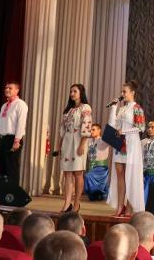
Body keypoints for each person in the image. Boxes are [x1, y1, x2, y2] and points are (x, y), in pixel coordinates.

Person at [108, 80, 146, 217]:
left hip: (131, 143)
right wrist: (113, 108)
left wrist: (124, 132)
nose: (122, 94)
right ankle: (120, 206)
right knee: (119, 174)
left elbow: (141, 128)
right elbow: (112, 125)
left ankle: (130, 207)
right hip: (120, 144)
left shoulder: (137, 108)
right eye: (122, 91)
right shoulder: (122, 108)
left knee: (130, 175)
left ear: (132, 93)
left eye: (125, 92)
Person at [55, 83, 93, 212]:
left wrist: (82, 144)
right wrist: (59, 146)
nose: (72, 94)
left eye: (75, 91)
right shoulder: (68, 110)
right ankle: (67, 203)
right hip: (67, 141)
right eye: (71, 91)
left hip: (78, 140)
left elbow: (87, 126)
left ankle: (76, 203)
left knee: (77, 172)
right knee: (67, 173)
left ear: (81, 93)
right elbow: (62, 130)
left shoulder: (85, 108)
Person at [0, 81, 28, 186]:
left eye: (10, 88)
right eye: (6, 88)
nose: (7, 90)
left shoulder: (20, 104)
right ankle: (4, 191)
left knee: (11, 168)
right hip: (2, 139)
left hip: (12, 139)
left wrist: (17, 141)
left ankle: (12, 192)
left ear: (17, 90)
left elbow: (21, 123)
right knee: (2, 169)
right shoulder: (4, 106)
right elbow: (0, 124)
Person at [84, 123, 111, 202]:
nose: (91, 132)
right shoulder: (89, 141)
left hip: (101, 168)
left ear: (99, 131)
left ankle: (100, 194)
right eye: (90, 130)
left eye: (93, 130)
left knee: (88, 176)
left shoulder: (103, 140)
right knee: (88, 176)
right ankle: (96, 195)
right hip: (91, 167)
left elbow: (109, 140)